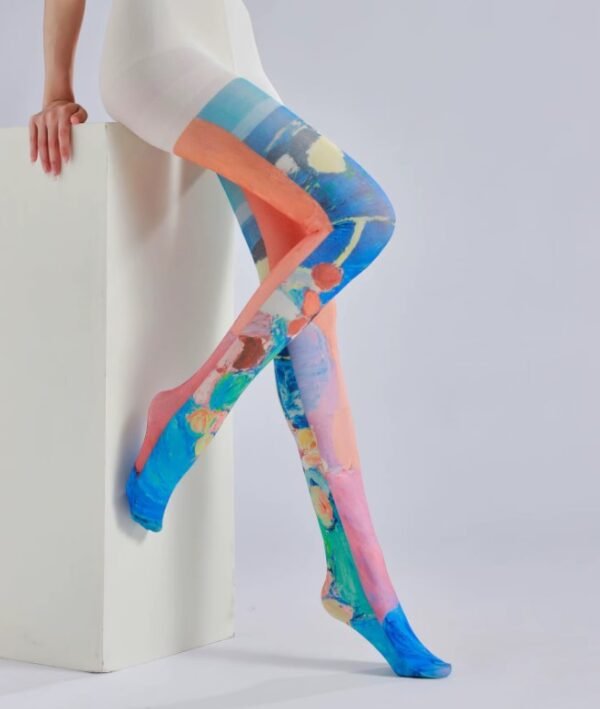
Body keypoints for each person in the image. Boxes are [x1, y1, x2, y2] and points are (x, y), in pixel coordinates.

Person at [29, 0, 452, 680]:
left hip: (236, 57)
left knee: (311, 320)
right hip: (159, 54)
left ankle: (361, 582)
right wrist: (57, 89)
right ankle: (194, 411)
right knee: (361, 213)